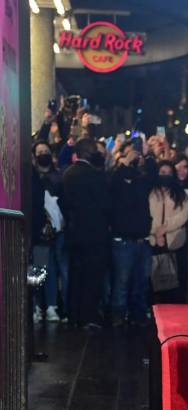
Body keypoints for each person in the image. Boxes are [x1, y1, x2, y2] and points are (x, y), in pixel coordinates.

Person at [60, 137, 111, 329]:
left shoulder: (68, 174)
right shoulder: (97, 176)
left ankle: (74, 315)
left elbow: (63, 203)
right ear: (91, 153)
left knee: (75, 274)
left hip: (74, 232)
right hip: (95, 234)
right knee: (92, 276)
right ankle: (88, 315)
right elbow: (106, 205)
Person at [109, 142, 153, 326]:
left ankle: (138, 314)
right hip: (123, 240)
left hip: (142, 240)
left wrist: (145, 162)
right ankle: (118, 314)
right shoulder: (116, 182)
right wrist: (125, 163)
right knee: (122, 281)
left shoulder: (141, 183)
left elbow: (154, 176)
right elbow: (112, 183)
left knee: (141, 281)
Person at [30, 140, 65, 323]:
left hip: (57, 231)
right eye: (39, 151)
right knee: (39, 269)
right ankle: (38, 306)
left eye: (46, 151)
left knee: (52, 269)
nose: (43, 154)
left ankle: (51, 306)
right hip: (39, 232)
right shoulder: (32, 178)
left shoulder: (58, 177)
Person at [148, 161, 188, 303]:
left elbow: (183, 215)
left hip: (174, 241)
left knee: (173, 281)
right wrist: (156, 232)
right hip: (153, 241)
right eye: (163, 172)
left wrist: (164, 229)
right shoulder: (150, 192)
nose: (166, 176)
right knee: (151, 279)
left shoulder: (179, 193)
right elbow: (147, 214)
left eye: (169, 173)